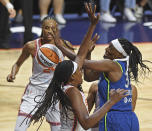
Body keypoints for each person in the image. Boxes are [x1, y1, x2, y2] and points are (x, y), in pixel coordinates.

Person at [27, 3, 128, 131]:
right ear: (72, 77)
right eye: (78, 71)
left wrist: (92, 25)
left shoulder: (68, 86)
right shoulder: (72, 92)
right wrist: (111, 102)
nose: (81, 72)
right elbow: (86, 123)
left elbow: (80, 56)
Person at [7, 16, 74, 131]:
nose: (50, 31)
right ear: (41, 28)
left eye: (53, 28)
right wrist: (13, 73)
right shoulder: (31, 46)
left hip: (55, 93)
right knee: (19, 129)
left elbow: (77, 64)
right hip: (34, 92)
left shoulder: (65, 45)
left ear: (57, 29)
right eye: (47, 28)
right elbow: (17, 64)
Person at [82, 38, 152, 131]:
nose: (106, 49)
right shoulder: (112, 69)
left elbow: (82, 62)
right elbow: (88, 77)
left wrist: (60, 46)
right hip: (125, 121)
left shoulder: (112, 65)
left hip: (113, 121)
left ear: (119, 54)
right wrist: (88, 53)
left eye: (111, 47)